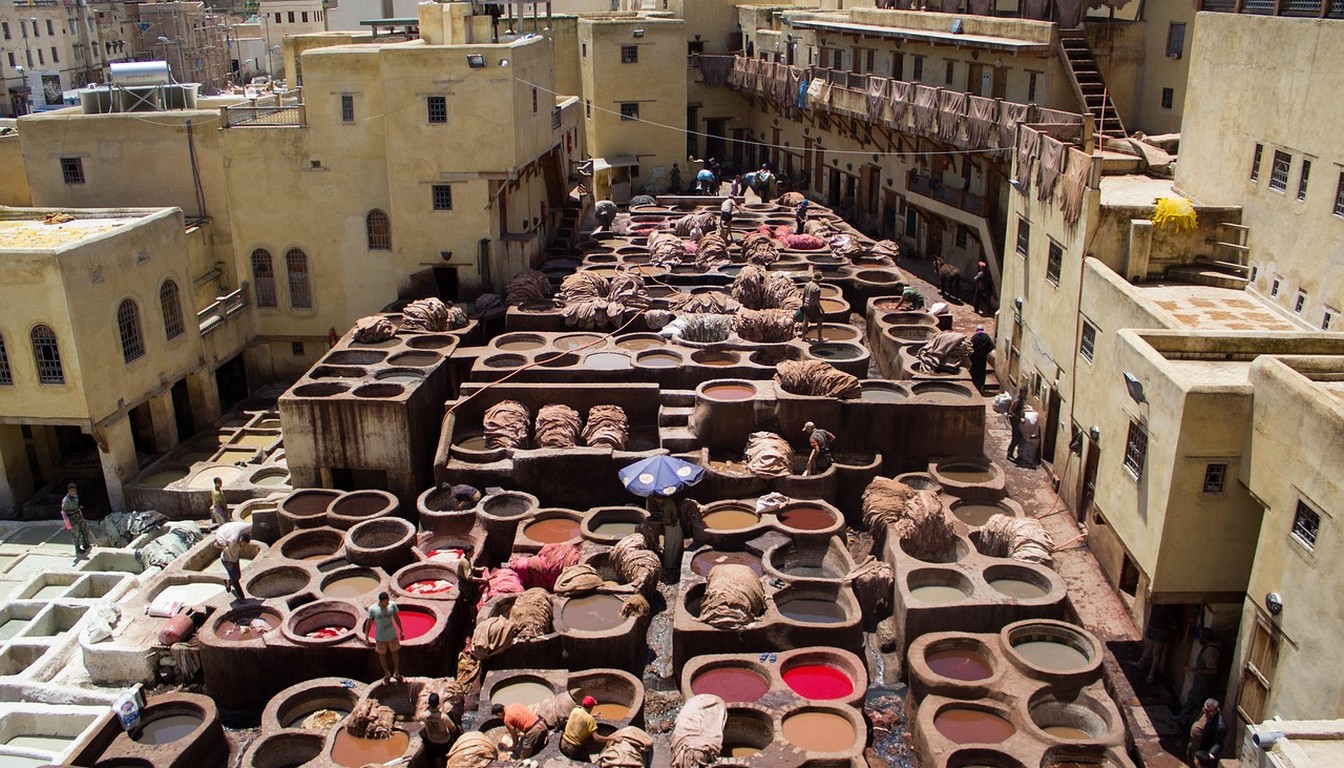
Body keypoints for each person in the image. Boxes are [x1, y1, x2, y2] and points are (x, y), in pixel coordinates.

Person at [1181, 628, 1223, 726]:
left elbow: (1213, 670)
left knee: (1197, 702)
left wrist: (1196, 671)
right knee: (1192, 698)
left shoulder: (1209, 652)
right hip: (1201, 682)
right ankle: (1183, 718)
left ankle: (1192, 722)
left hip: (1204, 683)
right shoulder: (1211, 646)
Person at [1135, 602, 1180, 685]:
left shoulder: (1168, 608)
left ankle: (1151, 674)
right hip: (1154, 629)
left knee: (1156, 653)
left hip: (1160, 632)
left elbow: (1174, 625)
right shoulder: (1160, 604)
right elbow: (1174, 625)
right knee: (1149, 649)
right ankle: (1140, 664)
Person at [560, 695, 614, 760]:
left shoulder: (575, 710)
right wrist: (611, 738)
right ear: (590, 707)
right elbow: (597, 738)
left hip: (563, 743)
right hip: (573, 747)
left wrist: (592, 715)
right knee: (588, 763)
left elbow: (581, 718)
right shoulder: (590, 720)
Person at [367, 592, 406, 684]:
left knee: (395, 653)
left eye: (388, 601)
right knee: (382, 655)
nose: (388, 603)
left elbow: (396, 617)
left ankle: (396, 673)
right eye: (386, 602)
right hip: (380, 637)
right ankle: (386, 674)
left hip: (392, 635)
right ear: (381, 601)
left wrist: (401, 630)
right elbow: (369, 623)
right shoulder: (373, 609)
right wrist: (366, 636)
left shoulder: (392, 605)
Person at [214, 520, 252, 601]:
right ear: (240, 539)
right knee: (235, 579)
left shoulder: (239, 545)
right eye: (242, 542)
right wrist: (222, 544)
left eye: (244, 544)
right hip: (227, 561)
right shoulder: (232, 542)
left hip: (234, 559)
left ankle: (228, 582)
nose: (243, 544)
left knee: (238, 576)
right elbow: (216, 544)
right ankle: (241, 597)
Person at [421, 692, 459, 767]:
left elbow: (419, 719)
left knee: (436, 755)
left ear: (429, 703)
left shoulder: (424, 715)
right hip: (444, 742)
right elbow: (453, 728)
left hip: (432, 741)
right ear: (438, 703)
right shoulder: (443, 717)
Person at [1186, 698, 1227, 767]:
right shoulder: (1204, 711)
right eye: (1205, 710)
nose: (1206, 713)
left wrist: (1211, 753)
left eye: (1209, 712)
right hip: (1193, 743)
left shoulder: (1221, 726)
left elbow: (1218, 743)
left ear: (1216, 710)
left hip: (1202, 749)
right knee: (1190, 761)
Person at [61, 483, 95, 563]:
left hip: (79, 516)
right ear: (69, 490)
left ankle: (86, 545)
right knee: (76, 534)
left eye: (75, 490)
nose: (74, 492)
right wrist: (67, 523)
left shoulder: (76, 496)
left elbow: (78, 506)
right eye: (72, 490)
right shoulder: (65, 501)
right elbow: (63, 512)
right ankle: (78, 549)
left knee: (84, 530)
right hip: (72, 518)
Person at [798, 270, 824, 342]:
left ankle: (803, 337)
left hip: (806, 305)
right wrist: (821, 309)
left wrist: (803, 304)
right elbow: (816, 301)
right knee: (819, 320)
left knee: (805, 320)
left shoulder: (807, 284)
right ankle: (819, 338)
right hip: (812, 306)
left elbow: (803, 296)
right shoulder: (817, 289)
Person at [969, 326, 996, 393]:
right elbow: (992, 346)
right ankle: (981, 388)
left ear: (977, 330)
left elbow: (971, 346)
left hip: (975, 358)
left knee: (974, 373)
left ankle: (974, 388)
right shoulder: (986, 337)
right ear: (983, 330)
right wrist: (986, 352)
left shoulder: (975, 337)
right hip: (982, 358)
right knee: (982, 373)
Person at [1007, 385, 1028, 463]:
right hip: (1014, 420)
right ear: (1020, 393)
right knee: (1016, 437)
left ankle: (1014, 453)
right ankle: (1009, 454)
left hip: (1017, 419)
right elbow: (1011, 411)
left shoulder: (1022, 399)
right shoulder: (1017, 400)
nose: (1025, 395)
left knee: (1019, 436)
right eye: (1024, 394)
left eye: (1026, 394)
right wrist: (1019, 418)